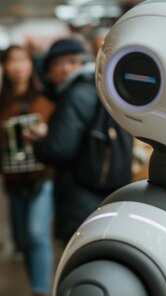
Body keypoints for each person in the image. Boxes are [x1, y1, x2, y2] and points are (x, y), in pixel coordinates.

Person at [24, 38, 110, 245]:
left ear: (82, 63)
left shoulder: (75, 95)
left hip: (79, 192)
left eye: (71, 61)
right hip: (100, 187)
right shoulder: (98, 88)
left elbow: (60, 149)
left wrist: (37, 144)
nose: (64, 69)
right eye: (57, 64)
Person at [0, 45, 55, 296]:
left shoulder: (45, 98)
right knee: (23, 241)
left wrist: (46, 136)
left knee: (36, 234)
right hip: (12, 181)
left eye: (22, 60)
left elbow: (58, 136)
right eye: (11, 61)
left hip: (41, 179)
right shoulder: (2, 101)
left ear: (31, 65)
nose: (17, 66)